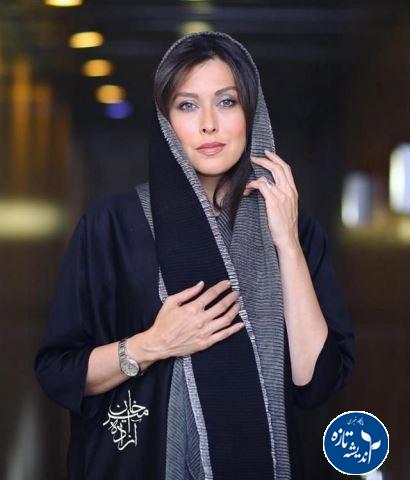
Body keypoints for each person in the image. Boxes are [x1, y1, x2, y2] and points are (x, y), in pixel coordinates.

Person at [34, 31, 355, 480]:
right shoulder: (111, 225)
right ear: (166, 120)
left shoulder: (296, 229)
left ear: (251, 112)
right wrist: (153, 344)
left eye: (226, 102)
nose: (209, 124)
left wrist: (286, 243)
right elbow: (58, 372)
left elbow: (316, 382)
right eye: (187, 105)